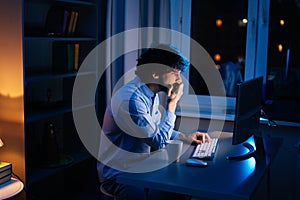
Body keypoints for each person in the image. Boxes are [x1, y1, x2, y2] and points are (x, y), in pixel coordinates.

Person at [97, 44, 211, 200]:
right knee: (174, 188)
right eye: (175, 72)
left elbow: (156, 129)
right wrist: (172, 104)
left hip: (139, 166)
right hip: (120, 175)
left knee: (179, 186)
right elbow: (158, 141)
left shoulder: (151, 94)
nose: (179, 79)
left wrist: (186, 137)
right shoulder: (130, 100)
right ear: (156, 74)